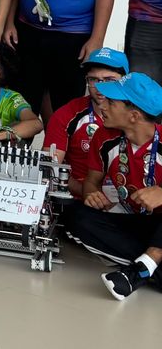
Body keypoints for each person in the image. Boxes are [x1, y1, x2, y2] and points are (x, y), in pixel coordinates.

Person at [65, 72, 162, 301]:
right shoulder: (104, 137)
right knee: (74, 216)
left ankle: (144, 266)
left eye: (111, 102)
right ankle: (148, 265)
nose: (102, 104)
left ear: (134, 115)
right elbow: (91, 182)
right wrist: (91, 194)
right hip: (135, 221)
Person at [44, 47, 128, 200]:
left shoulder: (138, 116)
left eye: (109, 80)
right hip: (80, 199)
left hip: (131, 202)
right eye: (93, 79)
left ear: (125, 80)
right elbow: (50, 168)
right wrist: (88, 193)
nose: (100, 87)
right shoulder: (66, 114)